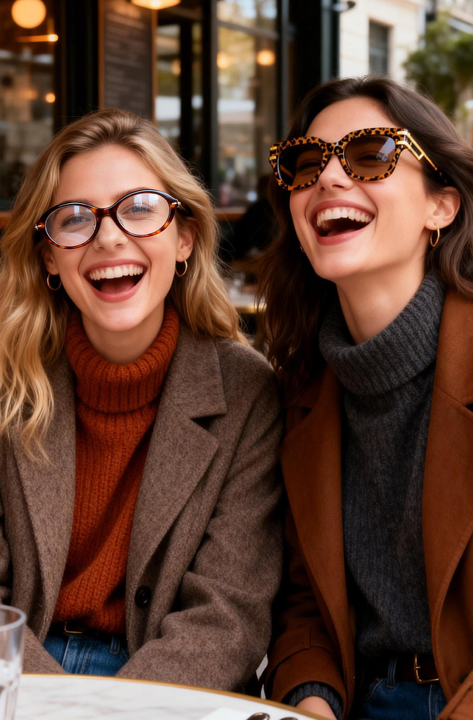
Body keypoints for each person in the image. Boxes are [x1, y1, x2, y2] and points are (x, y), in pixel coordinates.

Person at [0, 108, 282, 687]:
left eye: (139, 209)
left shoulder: (248, 391)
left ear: (184, 238)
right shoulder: (9, 379)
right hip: (22, 674)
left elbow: (227, 615)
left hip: (167, 682)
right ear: (50, 256)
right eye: (74, 218)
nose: (108, 237)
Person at [260, 75, 473, 720]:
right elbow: (302, 609)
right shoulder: (297, 388)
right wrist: (311, 702)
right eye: (305, 162)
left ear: (443, 205)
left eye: (370, 153)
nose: (328, 178)